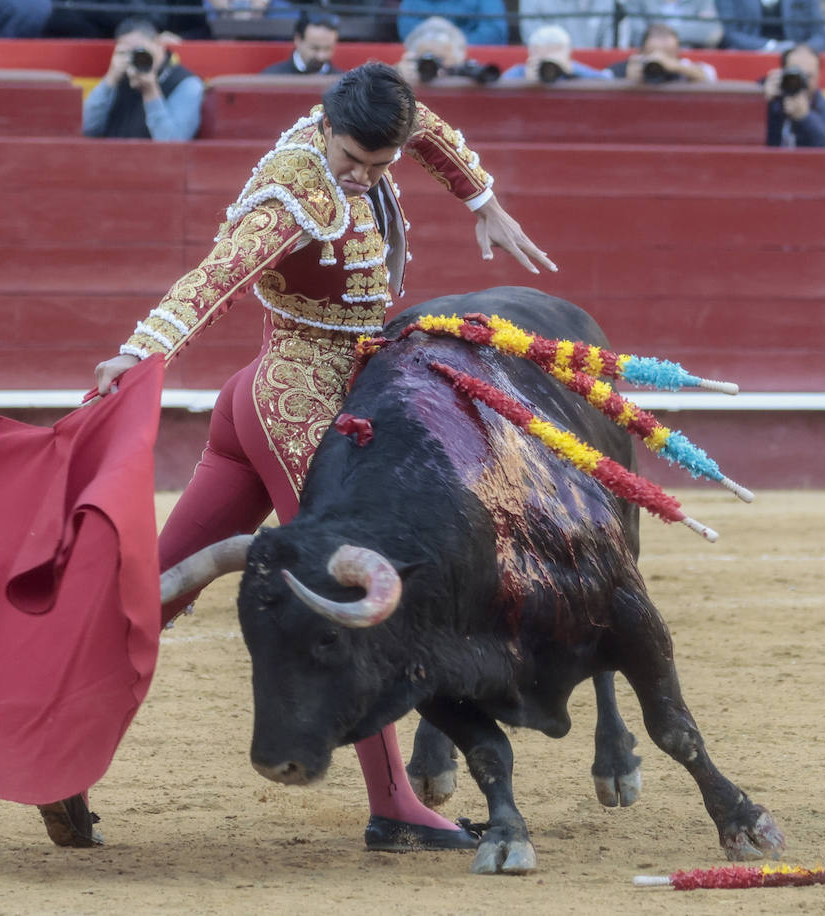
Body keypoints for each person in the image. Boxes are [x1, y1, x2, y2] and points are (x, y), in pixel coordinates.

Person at [39, 61, 556, 853]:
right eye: (352, 161)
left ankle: (58, 765)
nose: (361, 178)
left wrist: (480, 200)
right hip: (297, 408)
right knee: (346, 587)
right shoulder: (298, 196)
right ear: (325, 127)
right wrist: (141, 353)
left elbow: (429, 132)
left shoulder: (378, 127)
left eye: (378, 167)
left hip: (263, 404)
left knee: (157, 590)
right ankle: (394, 806)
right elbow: (216, 277)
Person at [81, 17, 205, 141]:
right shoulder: (118, 77)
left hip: (157, 160)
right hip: (112, 156)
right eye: (127, 53)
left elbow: (172, 143)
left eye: (140, 51)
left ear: (159, 45)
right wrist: (110, 79)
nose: (135, 58)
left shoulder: (186, 83)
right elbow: (86, 128)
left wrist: (151, 92)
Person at [764, 43, 825, 148]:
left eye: (808, 76)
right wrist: (761, 101)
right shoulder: (768, 94)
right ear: (782, 72)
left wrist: (807, 118)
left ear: (819, 77)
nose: (801, 82)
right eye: (796, 74)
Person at [608, 22, 717, 84]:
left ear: (677, 53)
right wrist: (627, 82)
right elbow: (601, 81)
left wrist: (677, 67)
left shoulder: (683, 68)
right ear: (641, 52)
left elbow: (710, 75)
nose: (659, 58)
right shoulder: (629, 66)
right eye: (652, 52)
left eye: (668, 53)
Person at [503, 23, 612, 83]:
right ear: (531, 55)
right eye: (544, 59)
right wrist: (525, 83)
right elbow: (498, 91)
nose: (549, 66)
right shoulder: (520, 71)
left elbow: (609, 82)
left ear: (568, 56)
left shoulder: (571, 68)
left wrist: (572, 71)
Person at [715, 0, 825, 52]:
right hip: (749, 56)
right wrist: (771, 46)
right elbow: (730, 34)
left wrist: (801, 50)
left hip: (796, 59)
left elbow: (820, 36)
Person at [261, 10, 342, 75]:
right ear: (298, 40)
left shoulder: (344, 84)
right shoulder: (272, 77)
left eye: (328, 49)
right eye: (315, 48)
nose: (321, 56)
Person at [398, 0, 507, 47]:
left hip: (474, 65)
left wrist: (453, 49)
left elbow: (494, 33)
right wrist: (437, 48)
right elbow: (409, 33)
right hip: (424, 62)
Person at [518, 0, 618, 50]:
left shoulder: (605, 2)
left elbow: (607, 50)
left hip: (593, 76)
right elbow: (534, 44)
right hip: (547, 71)